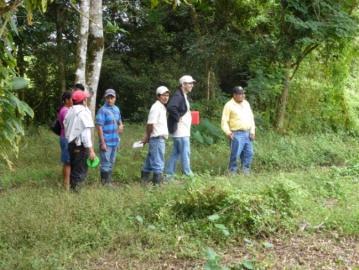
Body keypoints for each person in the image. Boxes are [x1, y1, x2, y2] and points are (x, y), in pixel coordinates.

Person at [64, 90, 96, 191]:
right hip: (80, 146)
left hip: (70, 145)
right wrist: (91, 151)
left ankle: (72, 192)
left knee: (73, 169)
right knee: (80, 171)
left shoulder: (70, 111)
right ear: (84, 100)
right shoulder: (84, 112)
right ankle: (76, 194)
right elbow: (86, 135)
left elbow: (65, 126)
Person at [165, 75, 196, 178]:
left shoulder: (183, 95)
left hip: (182, 131)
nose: (192, 85)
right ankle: (188, 174)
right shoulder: (178, 95)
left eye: (192, 83)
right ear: (183, 84)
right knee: (185, 152)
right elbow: (170, 107)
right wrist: (178, 117)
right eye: (189, 83)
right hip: (181, 131)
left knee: (176, 152)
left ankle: (169, 174)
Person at [221, 86, 255, 175]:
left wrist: (252, 131)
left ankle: (245, 171)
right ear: (234, 95)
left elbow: (251, 118)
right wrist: (228, 132)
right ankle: (232, 172)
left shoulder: (246, 103)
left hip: (247, 133)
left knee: (249, 153)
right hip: (236, 134)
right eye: (240, 94)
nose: (242, 95)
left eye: (243, 93)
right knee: (235, 155)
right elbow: (224, 121)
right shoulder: (229, 105)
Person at [141, 86, 170, 185]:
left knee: (149, 162)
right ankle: (157, 186)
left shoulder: (161, 107)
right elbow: (150, 124)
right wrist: (147, 137)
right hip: (157, 139)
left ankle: (144, 182)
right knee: (158, 162)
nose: (166, 97)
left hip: (157, 139)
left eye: (167, 95)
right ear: (158, 96)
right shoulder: (156, 107)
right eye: (163, 95)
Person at [96, 89, 124, 185]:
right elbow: (99, 127)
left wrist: (121, 125)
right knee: (105, 164)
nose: (110, 100)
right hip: (106, 142)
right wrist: (102, 142)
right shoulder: (102, 110)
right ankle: (105, 184)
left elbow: (119, 121)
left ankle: (109, 183)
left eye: (112, 97)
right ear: (105, 98)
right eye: (108, 97)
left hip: (115, 141)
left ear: (115, 98)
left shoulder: (117, 109)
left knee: (111, 163)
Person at [58, 91, 73, 191]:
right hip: (66, 138)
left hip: (65, 137)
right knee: (67, 162)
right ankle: (66, 185)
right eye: (71, 99)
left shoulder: (66, 109)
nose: (73, 101)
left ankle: (67, 183)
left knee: (67, 162)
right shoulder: (65, 111)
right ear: (67, 100)